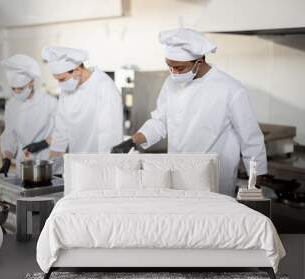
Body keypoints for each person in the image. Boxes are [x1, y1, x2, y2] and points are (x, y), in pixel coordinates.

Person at [111, 28, 267, 197]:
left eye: (179, 67)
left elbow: (251, 140)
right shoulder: (170, 83)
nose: (174, 73)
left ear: (198, 62)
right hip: (176, 175)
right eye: (169, 67)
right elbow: (160, 122)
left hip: (213, 181)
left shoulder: (230, 89)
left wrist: (255, 188)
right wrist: (132, 141)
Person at [41, 46, 123, 157]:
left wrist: (104, 167)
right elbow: (61, 130)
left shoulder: (104, 87)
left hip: (101, 163)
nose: (60, 84)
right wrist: (51, 166)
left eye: (62, 79)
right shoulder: (68, 89)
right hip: (77, 162)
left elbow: (110, 136)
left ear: (77, 70)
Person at [0, 54, 57, 177]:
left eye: (19, 88)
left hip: (45, 162)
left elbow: (63, 132)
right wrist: (7, 159)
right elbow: (10, 134)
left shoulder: (49, 102)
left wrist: (43, 144)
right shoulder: (11, 104)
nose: (15, 92)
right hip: (24, 164)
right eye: (13, 89)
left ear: (31, 83)